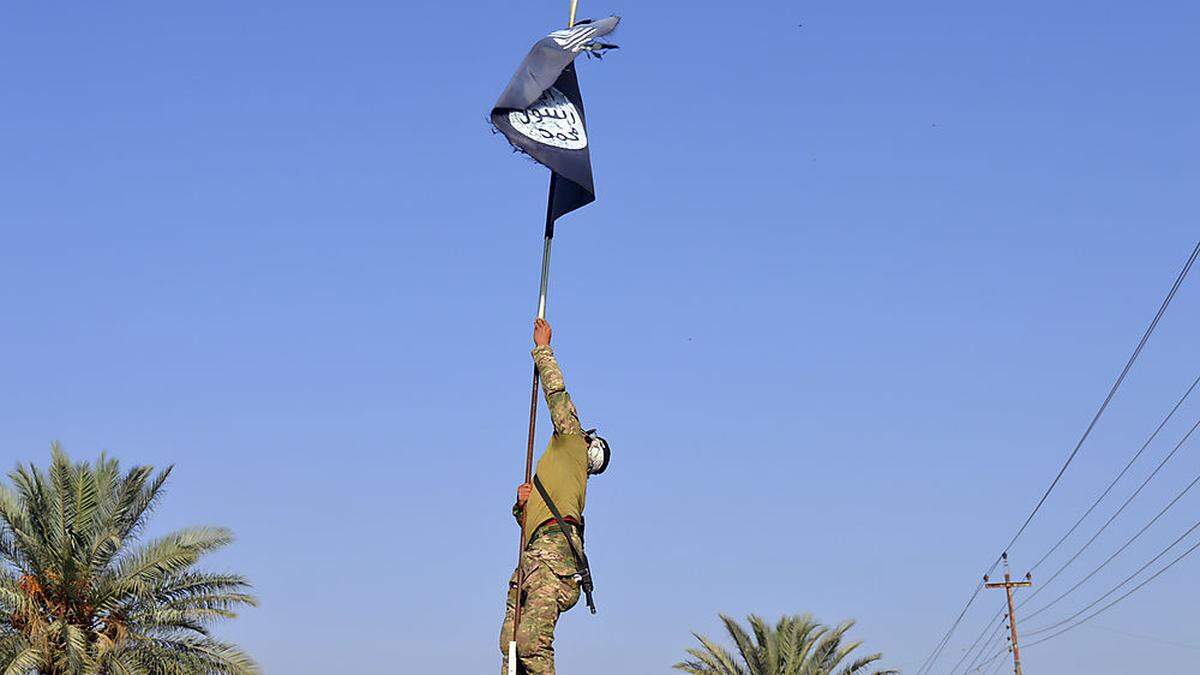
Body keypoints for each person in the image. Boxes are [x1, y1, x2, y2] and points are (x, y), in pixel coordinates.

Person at [499, 318, 610, 675]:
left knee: (531, 644)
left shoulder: (573, 442)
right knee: (510, 646)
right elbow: (530, 523)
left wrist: (543, 349)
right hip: (533, 557)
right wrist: (523, 505)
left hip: (551, 562)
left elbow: (557, 394)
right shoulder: (559, 474)